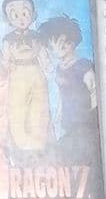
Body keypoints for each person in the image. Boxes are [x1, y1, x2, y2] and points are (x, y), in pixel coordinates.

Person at [38, 15, 98, 166]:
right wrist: (59, 113)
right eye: (55, 45)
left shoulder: (83, 65)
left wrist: (94, 116)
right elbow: (61, 93)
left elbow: (94, 91)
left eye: (65, 42)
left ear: (72, 42)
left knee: (81, 156)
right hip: (68, 122)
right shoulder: (59, 69)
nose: (63, 46)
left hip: (84, 122)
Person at [1, 0, 50, 162]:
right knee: (17, 109)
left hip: (36, 73)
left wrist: (47, 66)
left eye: (25, 13)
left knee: (39, 108)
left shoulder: (37, 37)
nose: (21, 19)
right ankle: (21, 146)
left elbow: (43, 55)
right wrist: (4, 72)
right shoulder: (8, 40)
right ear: (7, 18)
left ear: (33, 14)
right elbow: (5, 59)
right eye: (15, 15)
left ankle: (38, 145)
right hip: (17, 74)